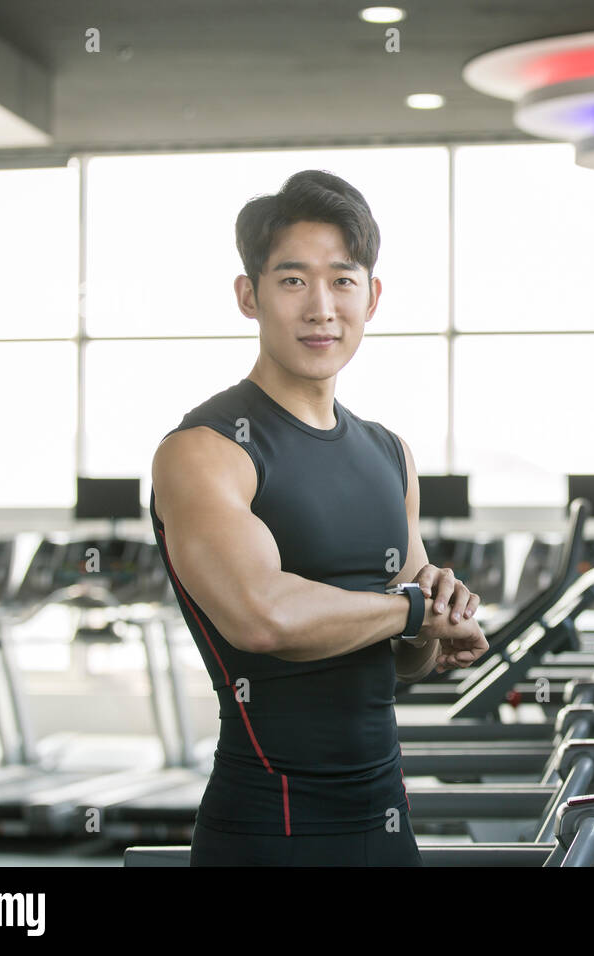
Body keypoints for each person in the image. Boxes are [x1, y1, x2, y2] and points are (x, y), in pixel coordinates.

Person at [149, 169, 489, 866]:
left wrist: (440, 620)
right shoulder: (203, 451)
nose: (321, 309)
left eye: (342, 280)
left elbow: (405, 658)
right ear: (250, 296)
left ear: (373, 295)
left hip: (388, 828)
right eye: (293, 281)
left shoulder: (389, 454)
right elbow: (261, 616)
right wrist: (413, 609)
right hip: (269, 832)